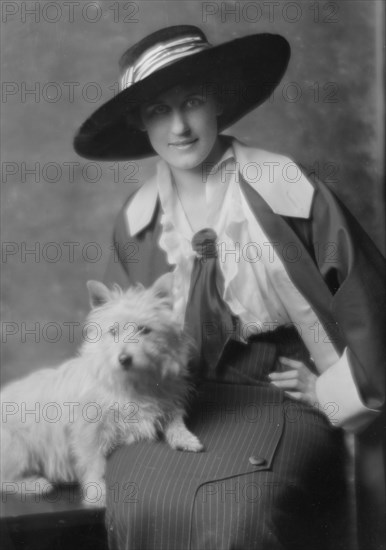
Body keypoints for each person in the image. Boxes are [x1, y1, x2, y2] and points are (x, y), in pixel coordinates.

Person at [74, 25, 385, 550]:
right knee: (136, 497)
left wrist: (332, 388)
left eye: (192, 101)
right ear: (139, 123)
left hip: (277, 395)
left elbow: (369, 302)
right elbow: (116, 343)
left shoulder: (286, 187)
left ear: (217, 100)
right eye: (157, 110)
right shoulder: (138, 219)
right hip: (177, 401)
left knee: (236, 515)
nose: (178, 126)